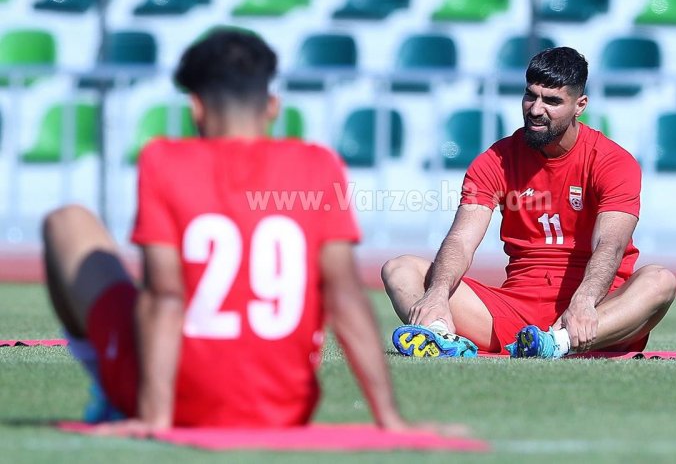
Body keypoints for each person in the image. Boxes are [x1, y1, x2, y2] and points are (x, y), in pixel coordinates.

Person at [42, 28, 408, 432]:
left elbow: (164, 298)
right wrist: (388, 417)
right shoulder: (319, 165)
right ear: (272, 106)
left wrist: (156, 418)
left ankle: (109, 395)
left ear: (196, 108)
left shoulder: (164, 161)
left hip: (179, 402)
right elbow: (345, 296)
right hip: (283, 408)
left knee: (67, 222)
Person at [383, 47, 676, 359]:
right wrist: (437, 295)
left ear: (580, 105)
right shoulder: (496, 160)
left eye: (551, 101)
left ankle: (558, 343)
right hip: (515, 315)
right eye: (530, 96)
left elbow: (611, 245)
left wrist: (585, 301)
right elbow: (460, 241)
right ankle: (440, 334)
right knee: (400, 269)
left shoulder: (612, 161)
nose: (536, 109)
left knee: (660, 280)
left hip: (597, 313)